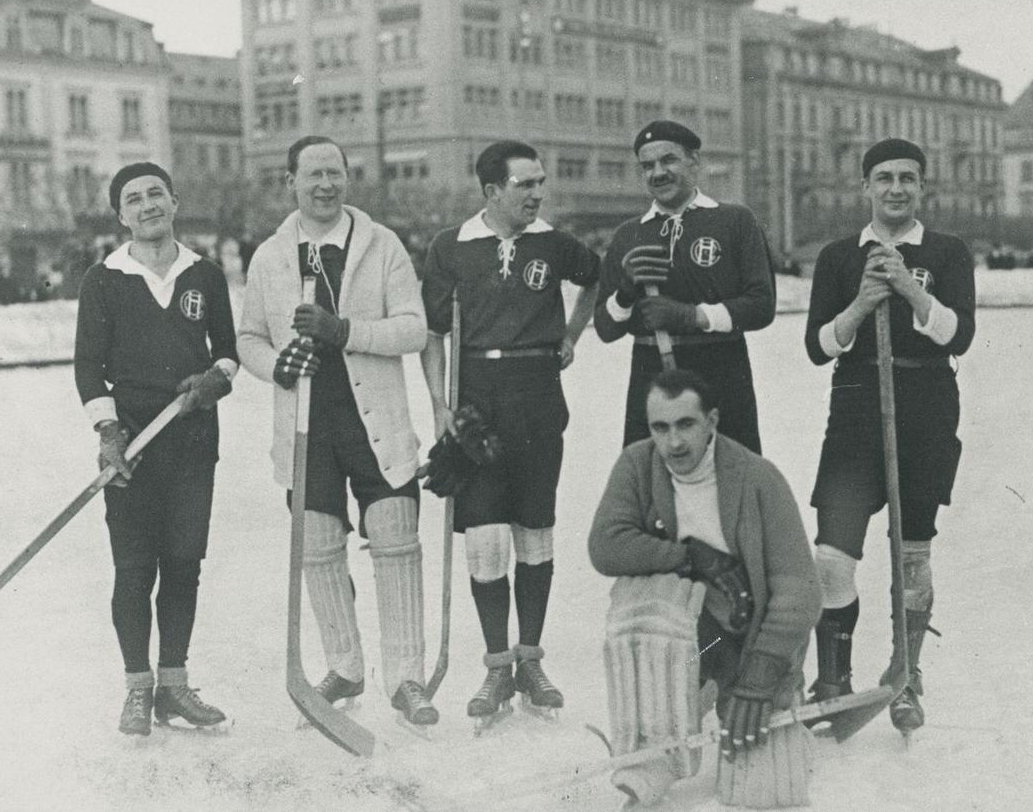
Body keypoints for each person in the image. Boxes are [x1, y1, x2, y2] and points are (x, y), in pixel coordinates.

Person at [237, 135, 437, 727]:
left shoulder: (381, 245)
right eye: (312, 175)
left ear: (348, 179)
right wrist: (276, 364)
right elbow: (247, 338)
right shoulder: (272, 256)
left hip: (374, 422)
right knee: (319, 549)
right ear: (291, 181)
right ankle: (345, 666)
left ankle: (407, 680)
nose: (325, 185)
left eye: (335, 173)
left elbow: (413, 330)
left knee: (396, 539)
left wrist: (344, 330)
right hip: (306, 426)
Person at [421, 139, 600, 725]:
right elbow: (432, 334)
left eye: (540, 182)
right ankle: (496, 664)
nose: (537, 193)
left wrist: (571, 335)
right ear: (492, 190)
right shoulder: (452, 247)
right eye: (525, 184)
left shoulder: (553, 242)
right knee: (485, 538)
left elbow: (593, 279)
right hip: (476, 397)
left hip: (538, 392)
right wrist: (439, 407)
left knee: (535, 530)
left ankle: (531, 660)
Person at [803, 138, 975, 735]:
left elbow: (959, 337)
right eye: (884, 178)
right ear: (866, 188)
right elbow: (816, 348)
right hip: (855, 408)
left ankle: (906, 675)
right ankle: (833, 680)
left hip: (925, 406)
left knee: (913, 555)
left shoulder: (948, 253)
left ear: (922, 187)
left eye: (907, 178)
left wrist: (907, 287)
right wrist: (861, 302)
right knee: (832, 554)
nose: (895, 188)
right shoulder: (838, 256)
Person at [589, 370, 820, 808]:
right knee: (645, 611)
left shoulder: (757, 477)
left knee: (759, 794)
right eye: (661, 427)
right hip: (697, 638)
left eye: (686, 424)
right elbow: (605, 546)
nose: (674, 443)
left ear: (711, 421)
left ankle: (749, 698)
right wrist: (691, 557)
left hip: (750, 641)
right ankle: (657, 750)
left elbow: (800, 590)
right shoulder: (638, 465)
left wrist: (761, 676)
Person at [74, 161, 237, 736]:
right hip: (134, 445)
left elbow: (228, 352)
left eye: (156, 195)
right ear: (121, 214)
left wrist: (216, 379)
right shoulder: (104, 278)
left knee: (184, 566)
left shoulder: (206, 275)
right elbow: (88, 367)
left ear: (174, 202)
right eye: (134, 199)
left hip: (192, 440)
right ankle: (138, 689)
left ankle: (174, 685)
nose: (147, 205)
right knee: (135, 569)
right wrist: (109, 432)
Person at [594, 120, 775, 452]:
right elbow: (605, 329)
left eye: (669, 160)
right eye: (647, 166)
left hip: (721, 370)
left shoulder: (735, 221)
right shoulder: (627, 234)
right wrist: (625, 290)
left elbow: (762, 306)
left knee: (730, 479)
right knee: (652, 486)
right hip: (651, 375)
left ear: (695, 161)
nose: (658, 172)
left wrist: (691, 316)